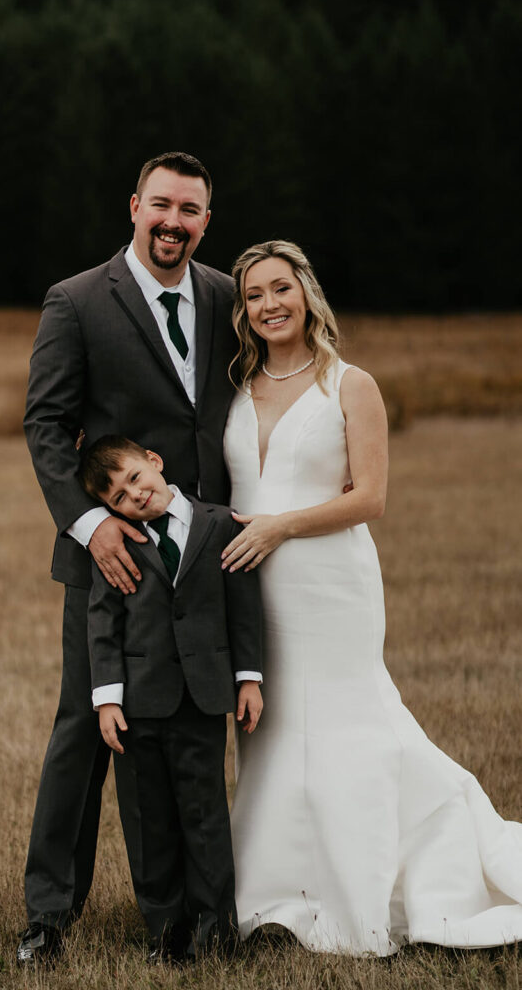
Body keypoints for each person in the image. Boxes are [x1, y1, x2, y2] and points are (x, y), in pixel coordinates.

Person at [222, 239, 522, 956]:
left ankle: (372, 887)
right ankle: (274, 896)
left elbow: (372, 497)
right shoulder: (234, 389)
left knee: (348, 727)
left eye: (279, 289)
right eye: (253, 294)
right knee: (268, 731)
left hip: (328, 584)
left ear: (306, 294)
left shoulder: (348, 384)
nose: (268, 304)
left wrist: (281, 526)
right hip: (248, 588)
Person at [19, 152, 238, 965]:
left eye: (190, 210)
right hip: (112, 562)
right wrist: (89, 526)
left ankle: (202, 910)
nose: (173, 222)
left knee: (194, 738)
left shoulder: (224, 295)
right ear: (134, 206)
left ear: (205, 222)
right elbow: (45, 425)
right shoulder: (76, 301)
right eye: (161, 205)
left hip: (206, 561)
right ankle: (48, 917)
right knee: (84, 730)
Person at [80, 435, 263, 962]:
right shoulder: (117, 543)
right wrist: (107, 700)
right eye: (117, 497)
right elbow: (103, 621)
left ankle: (217, 932)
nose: (133, 496)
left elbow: (242, 608)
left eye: (135, 478)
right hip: (138, 705)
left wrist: (247, 679)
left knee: (205, 816)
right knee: (148, 821)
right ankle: (167, 934)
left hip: (202, 698)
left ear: (154, 463)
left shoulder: (220, 524)